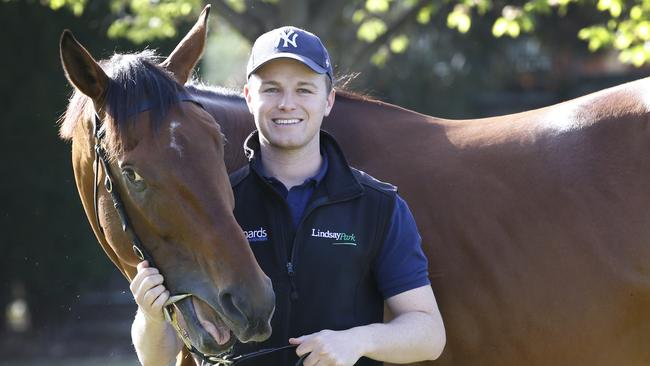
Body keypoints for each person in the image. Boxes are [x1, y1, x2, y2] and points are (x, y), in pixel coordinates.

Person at [130, 26, 446, 366]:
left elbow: (428, 334)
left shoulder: (378, 207)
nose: (287, 104)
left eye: (304, 90)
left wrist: (358, 341)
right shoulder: (210, 206)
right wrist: (149, 318)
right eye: (272, 89)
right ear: (249, 97)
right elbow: (157, 359)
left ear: (328, 101)